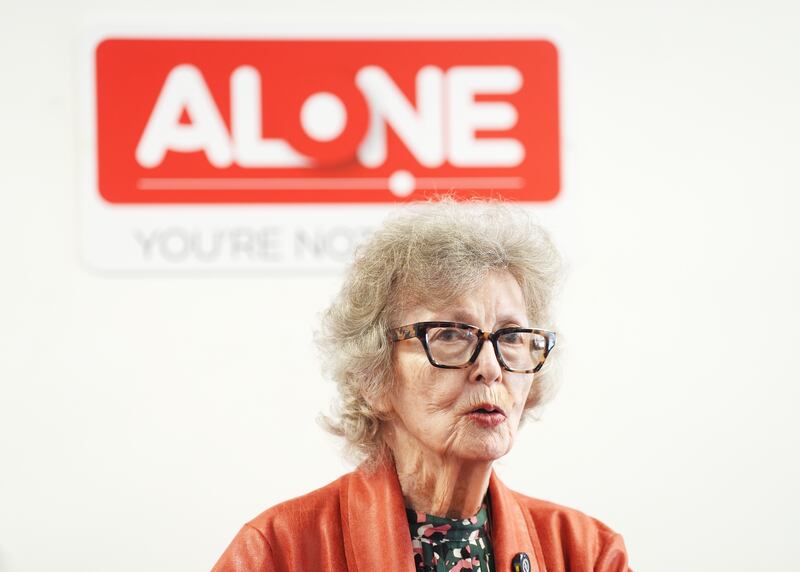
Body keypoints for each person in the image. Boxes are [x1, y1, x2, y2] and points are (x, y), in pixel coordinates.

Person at [212, 200, 631, 572]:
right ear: (373, 376)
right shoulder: (278, 552)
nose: (490, 367)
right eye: (450, 335)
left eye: (510, 337)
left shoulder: (587, 554)